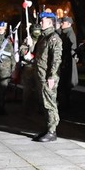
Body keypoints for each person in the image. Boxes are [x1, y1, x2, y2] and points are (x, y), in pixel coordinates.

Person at [33, 12, 63, 142]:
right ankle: (47, 128)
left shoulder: (53, 38)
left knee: (50, 103)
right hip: (41, 74)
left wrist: (51, 76)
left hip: (48, 76)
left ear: (50, 22)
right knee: (44, 103)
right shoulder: (43, 37)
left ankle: (52, 131)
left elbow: (56, 59)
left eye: (43, 21)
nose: (40, 23)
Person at [57, 16, 77, 110]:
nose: (62, 24)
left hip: (66, 61)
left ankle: (66, 103)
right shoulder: (65, 32)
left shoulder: (69, 33)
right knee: (63, 83)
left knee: (65, 83)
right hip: (64, 61)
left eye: (63, 23)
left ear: (69, 24)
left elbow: (71, 48)